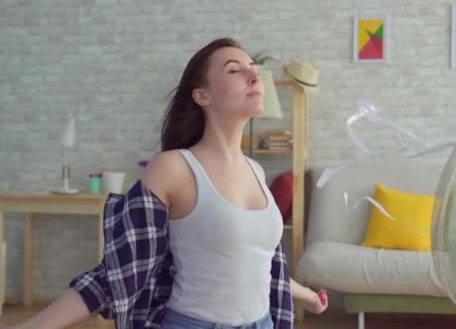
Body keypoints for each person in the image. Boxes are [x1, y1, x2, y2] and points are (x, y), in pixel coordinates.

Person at [3, 37, 328, 329]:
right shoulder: (173, 168)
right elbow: (115, 275)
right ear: (202, 95)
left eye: (253, 67)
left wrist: (307, 295)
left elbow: (256, 263)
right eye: (234, 70)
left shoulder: (256, 171)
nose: (253, 75)